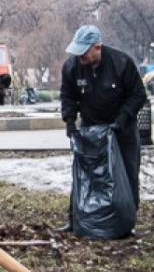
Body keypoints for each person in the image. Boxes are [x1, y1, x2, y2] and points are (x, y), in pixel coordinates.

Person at [60, 25, 146, 210]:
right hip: (91, 128)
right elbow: (67, 96)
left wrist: (123, 119)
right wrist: (69, 121)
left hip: (122, 128)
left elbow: (138, 94)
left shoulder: (121, 63)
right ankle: (79, 215)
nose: (80, 57)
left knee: (127, 172)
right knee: (87, 173)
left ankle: (126, 214)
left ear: (97, 47)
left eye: (84, 52)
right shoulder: (72, 67)